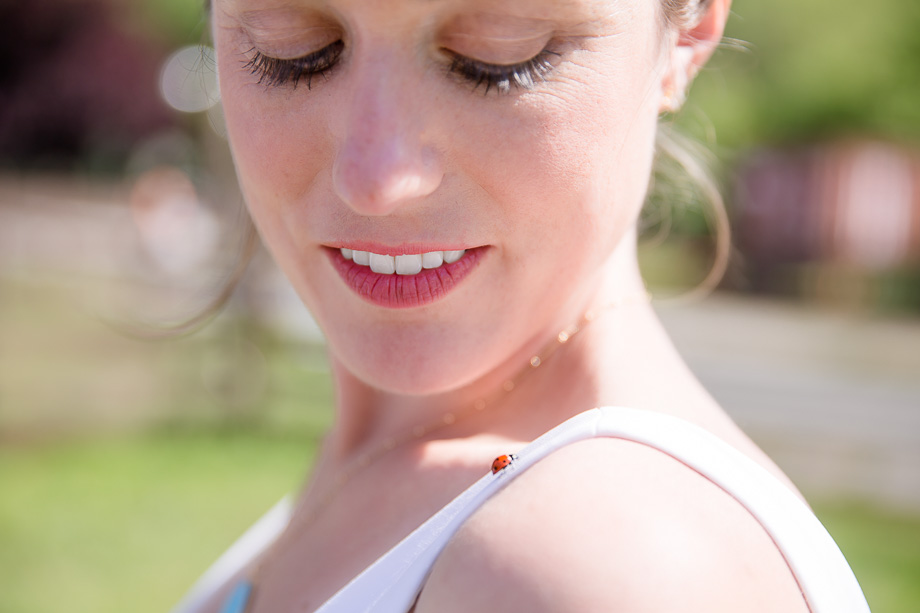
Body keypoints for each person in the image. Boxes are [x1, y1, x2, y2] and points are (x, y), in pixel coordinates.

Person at [176, 0, 871, 611]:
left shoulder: (597, 563)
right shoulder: (386, 457)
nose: (377, 180)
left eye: (497, 56)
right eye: (293, 50)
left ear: (685, 37)